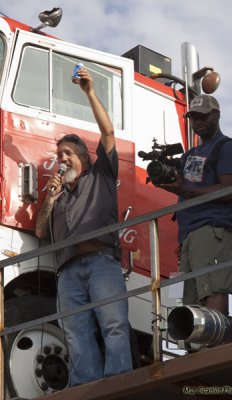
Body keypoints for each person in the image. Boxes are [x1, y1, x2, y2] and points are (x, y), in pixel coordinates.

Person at [35, 67, 133, 386]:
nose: (62, 158)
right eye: (59, 154)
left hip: (101, 262)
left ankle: (118, 382)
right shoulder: (58, 196)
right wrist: (49, 199)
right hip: (67, 272)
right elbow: (39, 231)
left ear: (84, 158)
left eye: (68, 153)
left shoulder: (100, 175)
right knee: (76, 334)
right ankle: (86, 389)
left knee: (113, 323)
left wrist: (89, 91)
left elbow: (107, 134)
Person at [156, 94, 232, 317]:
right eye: (193, 117)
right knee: (190, 301)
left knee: (213, 289)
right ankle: (201, 348)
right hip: (189, 235)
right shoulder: (189, 155)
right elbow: (186, 193)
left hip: (213, 228)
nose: (198, 122)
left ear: (216, 115)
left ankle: (217, 347)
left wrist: (184, 190)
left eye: (203, 116)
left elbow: (228, 191)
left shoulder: (228, 147)